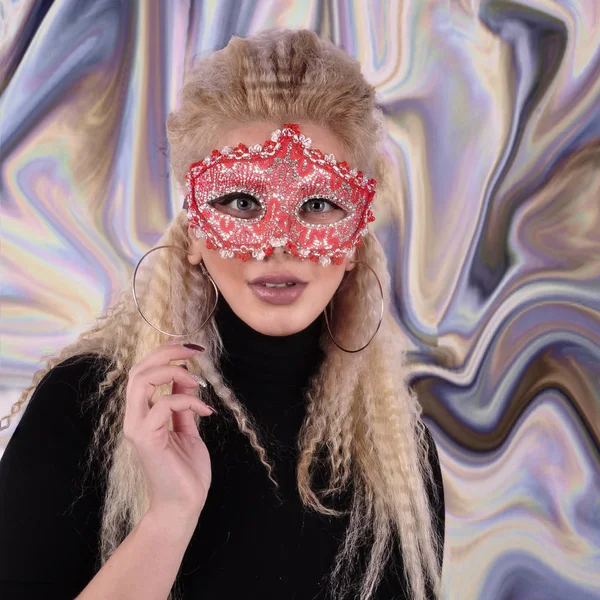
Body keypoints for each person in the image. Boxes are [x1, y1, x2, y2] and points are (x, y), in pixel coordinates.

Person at [0, 29, 445, 600]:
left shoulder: (397, 455)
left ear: (356, 234)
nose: (276, 246)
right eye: (241, 202)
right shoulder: (80, 409)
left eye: (316, 203)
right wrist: (170, 515)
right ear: (194, 231)